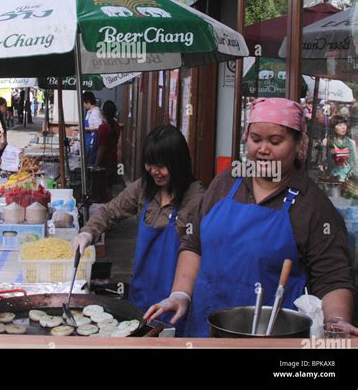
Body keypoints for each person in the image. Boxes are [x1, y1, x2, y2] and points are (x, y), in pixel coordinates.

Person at [145, 98, 358, 337]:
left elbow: (332, 278)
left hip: (275, 337)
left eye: (275, 141)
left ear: (299, 144)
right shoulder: (225, 183)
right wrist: (180, 294)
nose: (263, 149)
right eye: (256, 139)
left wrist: (336, 322)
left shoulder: (314, 205)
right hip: (205, 332)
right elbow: (194, 243)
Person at [72, 125, 204, 334]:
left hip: (178, 299)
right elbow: (110, 212)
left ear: (178, 164)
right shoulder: (143, 187)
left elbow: (203, 248)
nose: (154, 171)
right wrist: (88, 232)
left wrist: (183, 294)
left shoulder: (197, 198)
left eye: (161, 166)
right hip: (141, 294)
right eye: (149, 164)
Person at [320, 114, 357, 184]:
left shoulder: (351, 143)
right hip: (332, 178)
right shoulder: (326, 142)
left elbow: (355, 162)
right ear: (333, 127)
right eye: (339, 125)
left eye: (344, 124)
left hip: (348, 179)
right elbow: (323, 161)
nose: (343, 127)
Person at [95, 100, 121, 189]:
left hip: (104, 162)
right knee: (110, 186)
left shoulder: (103, 128)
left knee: (102, 187)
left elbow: (101, 148)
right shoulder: (117, 126)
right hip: (113, 160)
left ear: (103, 112)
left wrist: (96, 164)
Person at [82, 91, 103, 165]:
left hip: (92, 142)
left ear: (88, 102)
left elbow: (99, 127)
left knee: (90, 164)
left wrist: (85, 129)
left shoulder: (95, 112)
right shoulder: (89, 112)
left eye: (84, 103)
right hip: (87, 141)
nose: (83, 105)